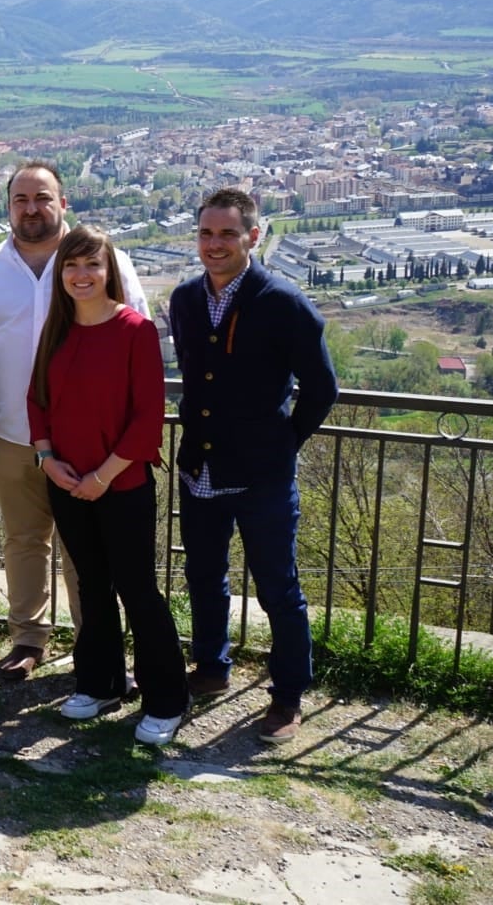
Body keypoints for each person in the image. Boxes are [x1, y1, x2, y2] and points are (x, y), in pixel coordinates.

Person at [0, 159, 152, 681]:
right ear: (7, 209)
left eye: (42, 197)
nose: (31, 208)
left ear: (63, 203)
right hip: (9, 433)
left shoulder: (110, 263)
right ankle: (28, 639)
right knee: (24, 539)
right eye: (20, 199)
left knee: (88, 549)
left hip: (91, 442)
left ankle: (98, 647)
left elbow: (138, 338)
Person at [171, 187, 337, 743]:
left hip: (263, 474)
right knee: (203, 576)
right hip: (201, 468)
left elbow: (321, 388)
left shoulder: (284, 302)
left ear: (253, 236)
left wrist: (285, 441)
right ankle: (212, 667)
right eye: (205, 233)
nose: (214, 244)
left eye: (226, 234)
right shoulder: (187, 299)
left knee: (278, 588)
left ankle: (288, 696)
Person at [28, 226, 187, 745]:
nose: (81, 275)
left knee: (137, 591)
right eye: (71, 266)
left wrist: (102, 476)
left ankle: (167, 699)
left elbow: (147, 419)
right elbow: (37, 400)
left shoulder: (135, 330)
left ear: (109, 271)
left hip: (121, 486)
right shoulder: (56, 329)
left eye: (91, 265)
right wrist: (47, 459)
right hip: (67, 482)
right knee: (91, 588)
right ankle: (100, 684)